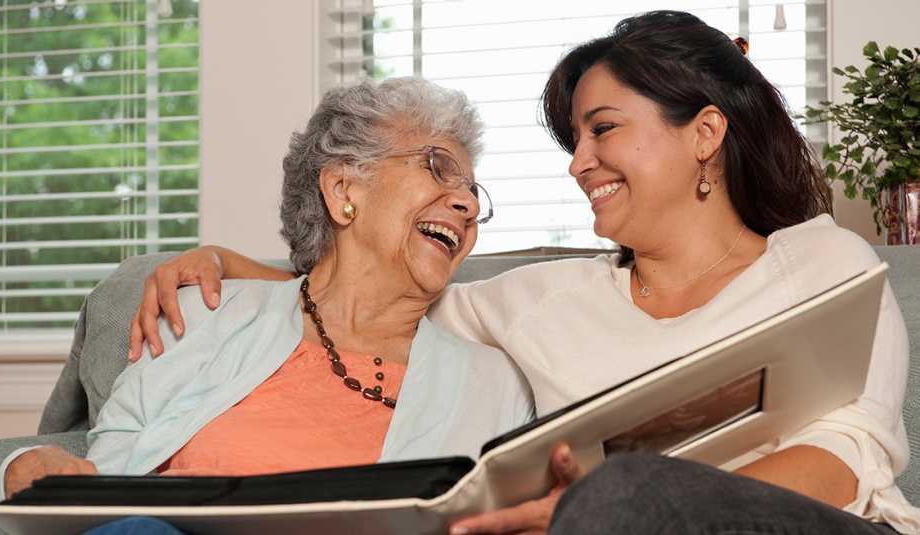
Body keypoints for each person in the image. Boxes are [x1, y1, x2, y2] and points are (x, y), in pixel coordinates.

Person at [128, 11, 918, 535]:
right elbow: (373, 288)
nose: (579, 164)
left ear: (705, 132)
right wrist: (230, 267)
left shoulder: (825, 262)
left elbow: (851, 454)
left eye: (602, 129)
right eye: (573, 140)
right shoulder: (539, 303)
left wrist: (608, 508)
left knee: (616, 496)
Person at [0, 77, 536, 504]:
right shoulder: (204, 315)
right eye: (438, 168)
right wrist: (22, 468)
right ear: (344, 189)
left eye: (472, 191)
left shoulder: (494, 382)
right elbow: (102, 473)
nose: (465, 204)